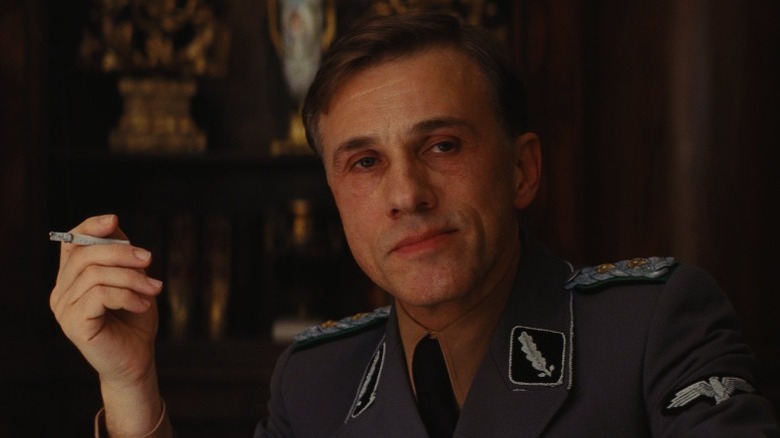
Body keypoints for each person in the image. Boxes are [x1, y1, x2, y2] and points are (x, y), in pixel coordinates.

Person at [50, 12, 779, 437]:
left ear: (522, 170)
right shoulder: (315, 382)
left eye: (442, 146)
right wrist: (132, 384)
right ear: (336, 197)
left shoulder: (650, 328)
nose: (406, 194)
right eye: (365, 162)